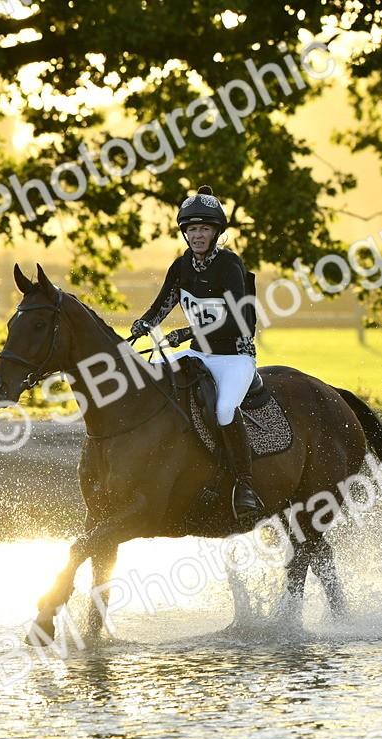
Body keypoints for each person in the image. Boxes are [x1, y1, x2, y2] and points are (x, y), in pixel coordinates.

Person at [130, 185, 265, 520]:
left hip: (235, 356)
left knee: (223, 410)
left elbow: (240, 320)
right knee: (153, 376)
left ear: (216, 232)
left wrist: (187, 332)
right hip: (199, 354)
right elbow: (162, 304)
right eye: (192, 229)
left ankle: (245, 484)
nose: (198, 235)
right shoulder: (181, 266)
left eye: (204, 228)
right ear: (185, 232)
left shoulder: (230, 265)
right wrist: (143, 324)